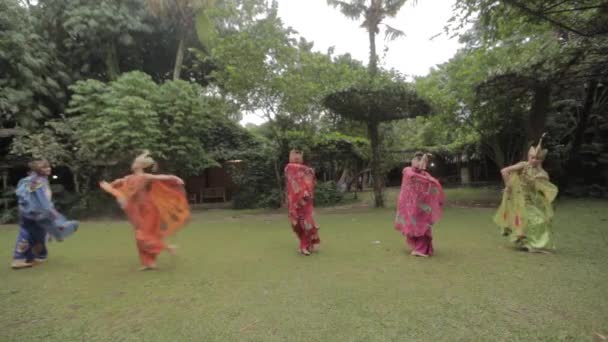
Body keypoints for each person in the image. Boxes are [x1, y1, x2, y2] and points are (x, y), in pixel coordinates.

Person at [99, 151, 190, 270]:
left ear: (140, 165)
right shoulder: (129, 178)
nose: (133, 164)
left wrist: (176, 178)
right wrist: (109, 185)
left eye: (135, 163)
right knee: (141, 237)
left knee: (141, 236)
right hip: (138, 210)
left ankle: (169, 248)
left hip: (149, 209)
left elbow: (162, 177)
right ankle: (148, 263)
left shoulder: (145, 177)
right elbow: (118, 181)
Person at [494, 134, 558, 253]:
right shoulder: (523, 165)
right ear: (528, 156)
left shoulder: (542, 172)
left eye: (537, 158)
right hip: (520, 199)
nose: (534, 160)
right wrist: (508, 186)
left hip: (531, 200)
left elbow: (546, 186)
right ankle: (529, 244)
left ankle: (529, 243)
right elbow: (504, 171)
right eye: (532, 157)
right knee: (533, 219)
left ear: (541, 160)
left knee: (539, 219)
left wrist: (542, 178)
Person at [11, 159, 79, 269]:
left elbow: (20, 194)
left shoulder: (28, 180)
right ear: (38, 170)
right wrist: (52, 212)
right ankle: (19, 258)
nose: (48, 169)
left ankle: (36, 256)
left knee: (37, 233)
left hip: (26, 212)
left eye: (48, 166)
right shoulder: (39, 182)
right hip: (38, 213)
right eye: (44, 167)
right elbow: (42, 201)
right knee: (28, 234)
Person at [394, 152, 444, 257]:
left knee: (425, 225)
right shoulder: (407, 170)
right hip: (410, 205)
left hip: (422, 206)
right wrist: (428, 178)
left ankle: (420, 249)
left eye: (421, 161)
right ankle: (418, 249)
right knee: (416, 225)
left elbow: (433, 185)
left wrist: (436, 198)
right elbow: (414, 176)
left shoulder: (425, 175)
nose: (416, 163)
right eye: (416, 160)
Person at [284, 149, 320, 256]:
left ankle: (304, 246)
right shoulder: (288, 167)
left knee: (308, 224)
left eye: (299, 155)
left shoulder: (306, 170)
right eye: (294, 155)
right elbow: (305, 171)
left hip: (305, 201)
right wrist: (309, 171)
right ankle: (307, 244)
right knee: (296, 225)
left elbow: (311, 178)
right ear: (290, 156)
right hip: (294, 203)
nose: (296, 157)